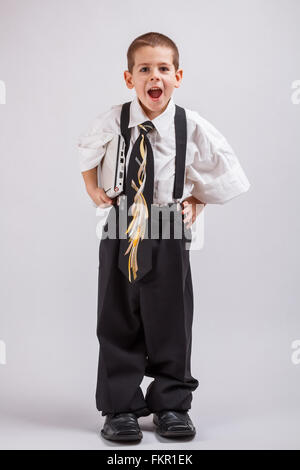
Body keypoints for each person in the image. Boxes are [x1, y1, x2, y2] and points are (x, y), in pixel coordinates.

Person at [77, 32, 250, 442]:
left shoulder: (189, 124)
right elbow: (86, 150)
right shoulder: (114, 119)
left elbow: (223, 168)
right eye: (144, 69)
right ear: (129, 77)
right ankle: (120, 406)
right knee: (117, 314)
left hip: (167, 223)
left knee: (170, 316)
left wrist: (199, 200)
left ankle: (171, 403)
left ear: (178, 76)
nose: (154, 76)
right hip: (122, 222)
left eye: (163, 69)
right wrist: (91, 187)